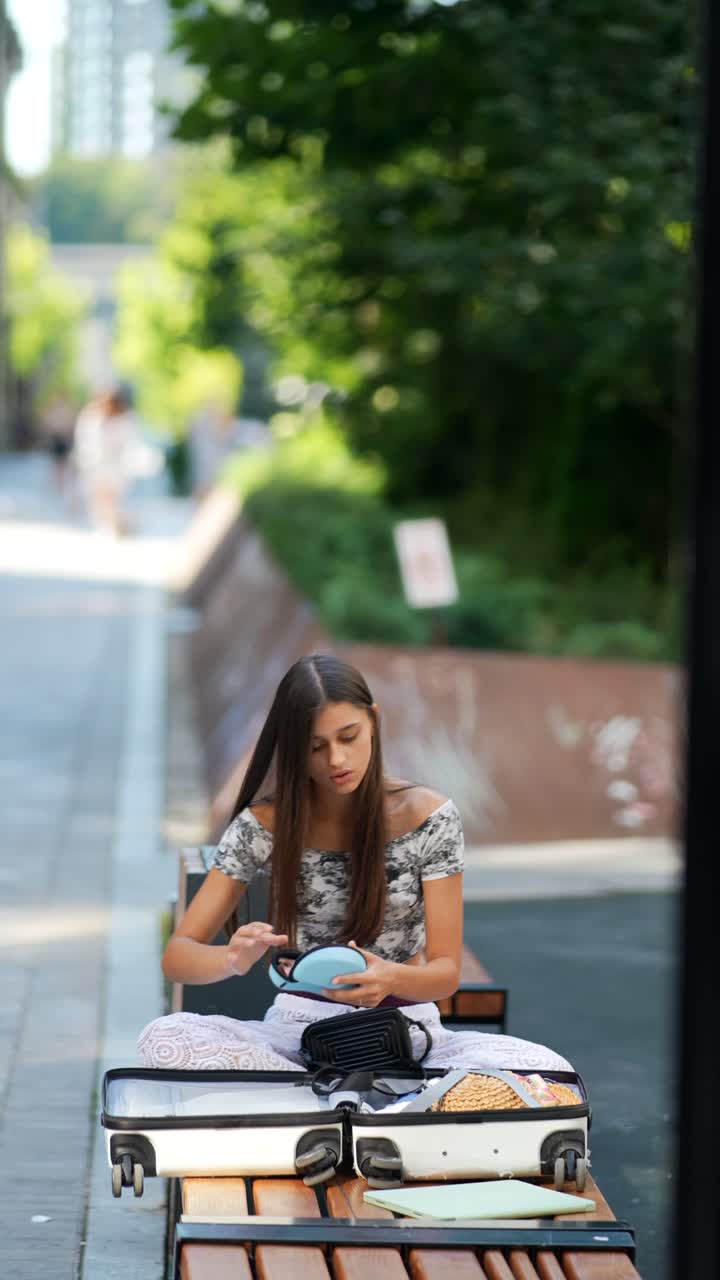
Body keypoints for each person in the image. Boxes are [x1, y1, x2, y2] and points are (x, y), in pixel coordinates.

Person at [138, 654, 572, 1074]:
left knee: (546, 1068)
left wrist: (391, 979)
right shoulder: (264, 824)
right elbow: (179, 957)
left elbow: (445, 973)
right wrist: (232, 958)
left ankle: (316, 1099)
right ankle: (362, 1100)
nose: (337, 761)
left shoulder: (431, 817)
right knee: (164, 1037)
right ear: (293, 751)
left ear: (374, 722)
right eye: (316, 747)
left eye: (349, 737)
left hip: (407, 1032)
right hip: (297, 1034)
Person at [73, 387, 140, 534]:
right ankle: (107, 523)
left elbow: (127, 442)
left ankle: (115, 524)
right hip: (96, 463)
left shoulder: (124, 420)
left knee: (111, 496)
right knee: (99, 494)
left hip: (115, 464)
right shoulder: (91, 417)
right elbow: (84, 440)